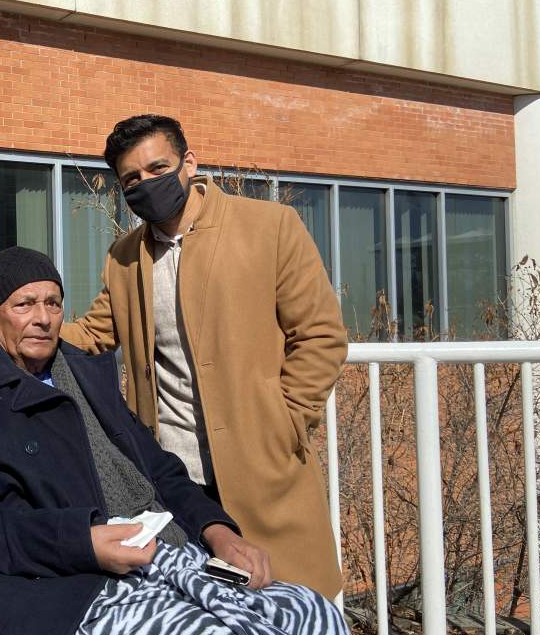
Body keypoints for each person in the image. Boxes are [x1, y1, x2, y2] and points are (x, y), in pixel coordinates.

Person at [0, 247, 394, 635]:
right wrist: (85, 542)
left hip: (147, 549)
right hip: (52, 574)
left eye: (54, 302)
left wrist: (217, 529)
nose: (44, 318)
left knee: (308, 614)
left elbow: (158, 468)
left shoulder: (80, 373)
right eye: (25, 304)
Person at [59, 114, 347, 599]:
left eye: (158, 168)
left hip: (265, 470)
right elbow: (92, 334)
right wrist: (19, 324)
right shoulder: (124, 257)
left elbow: (320, 335)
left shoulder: (270, 226)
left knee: (299, 618)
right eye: (132, 178)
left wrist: (288, 420)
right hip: (178, 487)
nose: (146, 183)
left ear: (189, 163)